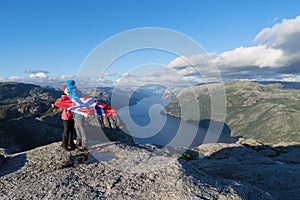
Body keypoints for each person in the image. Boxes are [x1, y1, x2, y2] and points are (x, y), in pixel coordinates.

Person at [65, 79, 88, 151]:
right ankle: (79, 142)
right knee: (78, 127)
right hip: (77, 113)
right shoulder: (75, 91)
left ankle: (84, 144)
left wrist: (84, 112)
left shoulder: (73, 92)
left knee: (80, 128)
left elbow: (78, 102)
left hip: (79, 113)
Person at [52, 85, 76, 151]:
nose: (68, 90)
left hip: (72, 117)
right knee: (67, 131)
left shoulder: (73, 97)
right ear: (64, 91)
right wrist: (55, 106)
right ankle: (64, 144)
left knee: (71, 130)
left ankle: (71, 143)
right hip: (66, 117)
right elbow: (59, 103)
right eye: (66, 89)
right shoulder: (64, 97)